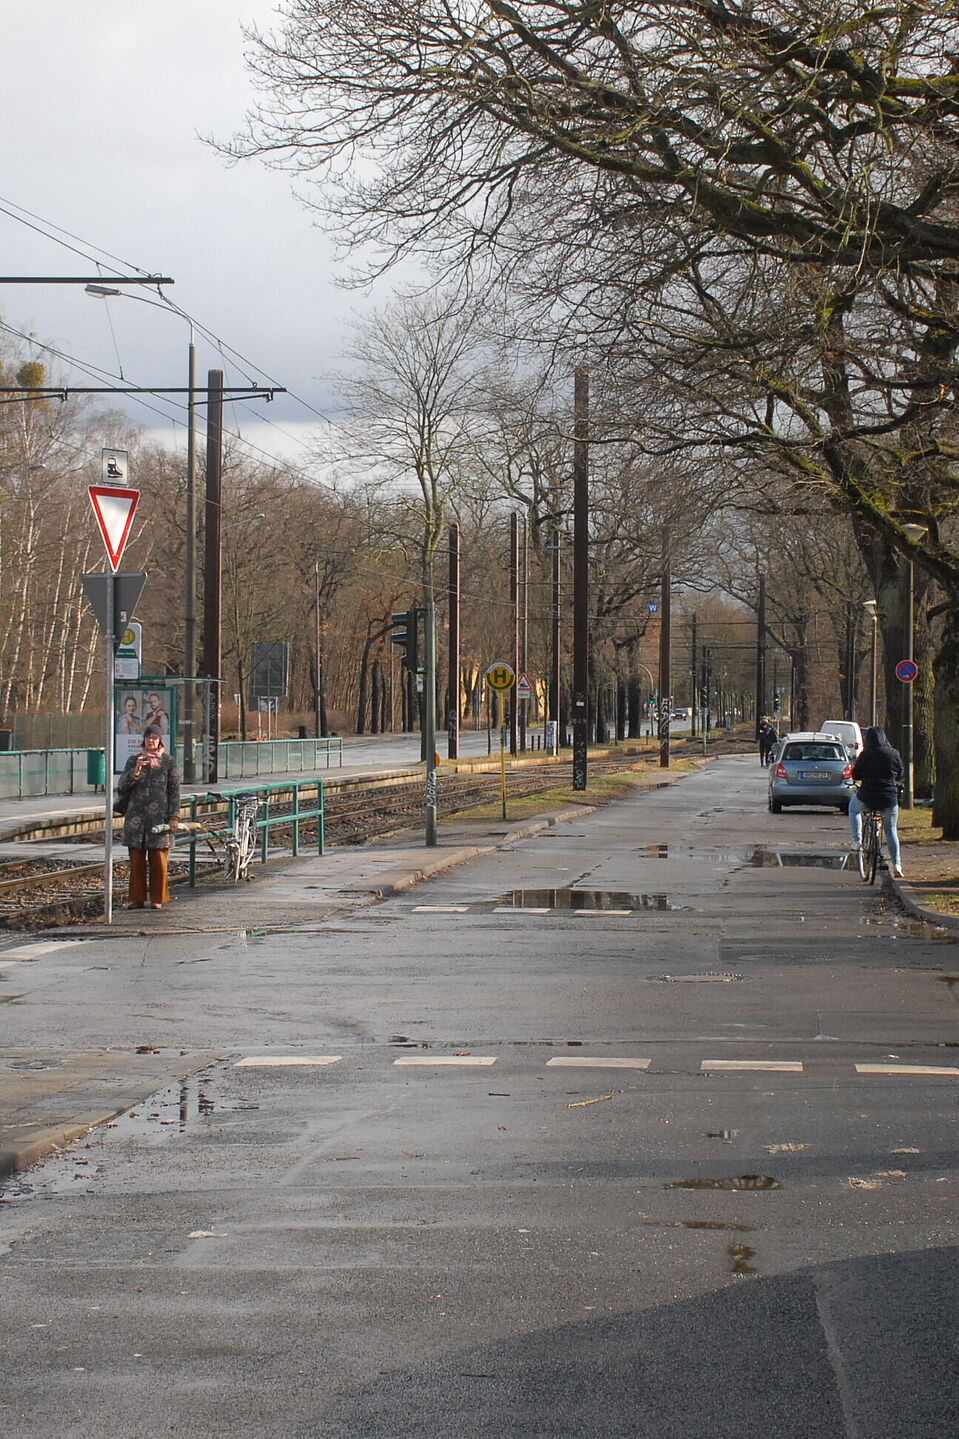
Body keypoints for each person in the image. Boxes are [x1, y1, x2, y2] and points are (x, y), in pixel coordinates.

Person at [116, 725, 180, 909]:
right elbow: (122, 786)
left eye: (154, 737)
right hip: (136, 819)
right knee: (136, 861)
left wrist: (174, 816)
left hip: (159, 819)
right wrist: (136, 770)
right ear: (143, 740)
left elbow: (174, 791)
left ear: (160, 740)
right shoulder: (133, 760)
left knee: (158, 861)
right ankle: (136, 898)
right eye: (148, 738)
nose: (151, 741)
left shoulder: (169, 762)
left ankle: (157, 899)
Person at [848, 725, 905, 878]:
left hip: (867, 796)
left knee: (853, 809)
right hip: (889, 798)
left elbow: (856, 775)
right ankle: (897, 864)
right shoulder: (894, 754)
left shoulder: (865, 755)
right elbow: (900, 773)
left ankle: (858, 840)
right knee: (891, 830)